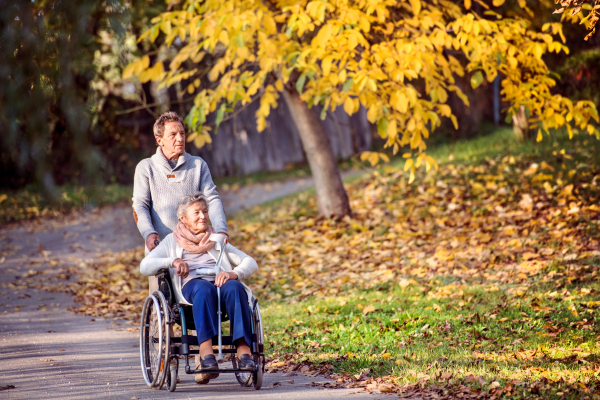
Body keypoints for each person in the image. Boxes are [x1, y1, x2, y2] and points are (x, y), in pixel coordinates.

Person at [140, 193, 258, 377]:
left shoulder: (217, 240)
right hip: (191, 288)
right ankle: (206, 351)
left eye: (205, 211)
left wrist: (233, 273)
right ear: (183, 218)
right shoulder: (172, 241)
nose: (203, 216)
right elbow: (145, 266)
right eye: (197, 212)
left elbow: (250, 261)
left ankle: (244, 351)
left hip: (221, 285)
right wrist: (173, 261)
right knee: (204, 289)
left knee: (236, 287)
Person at [132, 111, 229, 254]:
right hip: (161, 249)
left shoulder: (198, 165)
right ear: (160, 140)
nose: (180, 138)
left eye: (182, 133)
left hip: (197, 248)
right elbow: (140, 205)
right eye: (173, 135)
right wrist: (149, 233)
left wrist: (221, 230)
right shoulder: (146, 168)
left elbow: (212, 199)